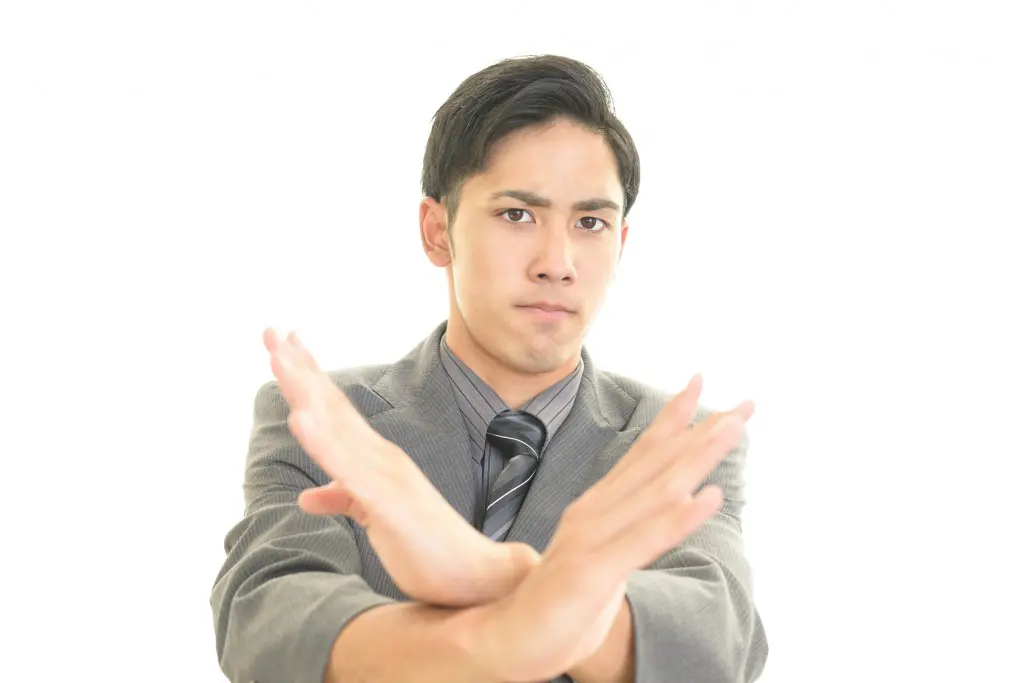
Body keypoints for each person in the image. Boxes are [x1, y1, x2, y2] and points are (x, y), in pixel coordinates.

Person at [210, 54, 769, 683]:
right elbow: (272, 622)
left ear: (620, 243)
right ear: (437, 230)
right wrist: (515, 627)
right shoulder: (330, 420)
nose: (557, 262)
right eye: (517, 215)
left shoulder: (678, 439)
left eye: (590, 223)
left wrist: (499, 576)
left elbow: (713, 646)